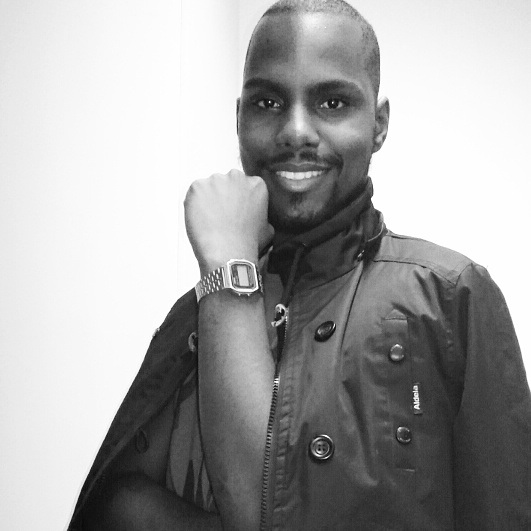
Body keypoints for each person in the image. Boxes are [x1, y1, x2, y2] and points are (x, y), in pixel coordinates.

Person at [69, 0, 531, 529]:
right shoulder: (196, 311)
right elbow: (115, 507)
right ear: (239, 118)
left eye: (333, 102)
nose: (295, 130)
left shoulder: (449, 295)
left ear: (379, 123)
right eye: (267, 102)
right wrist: (230, 271)